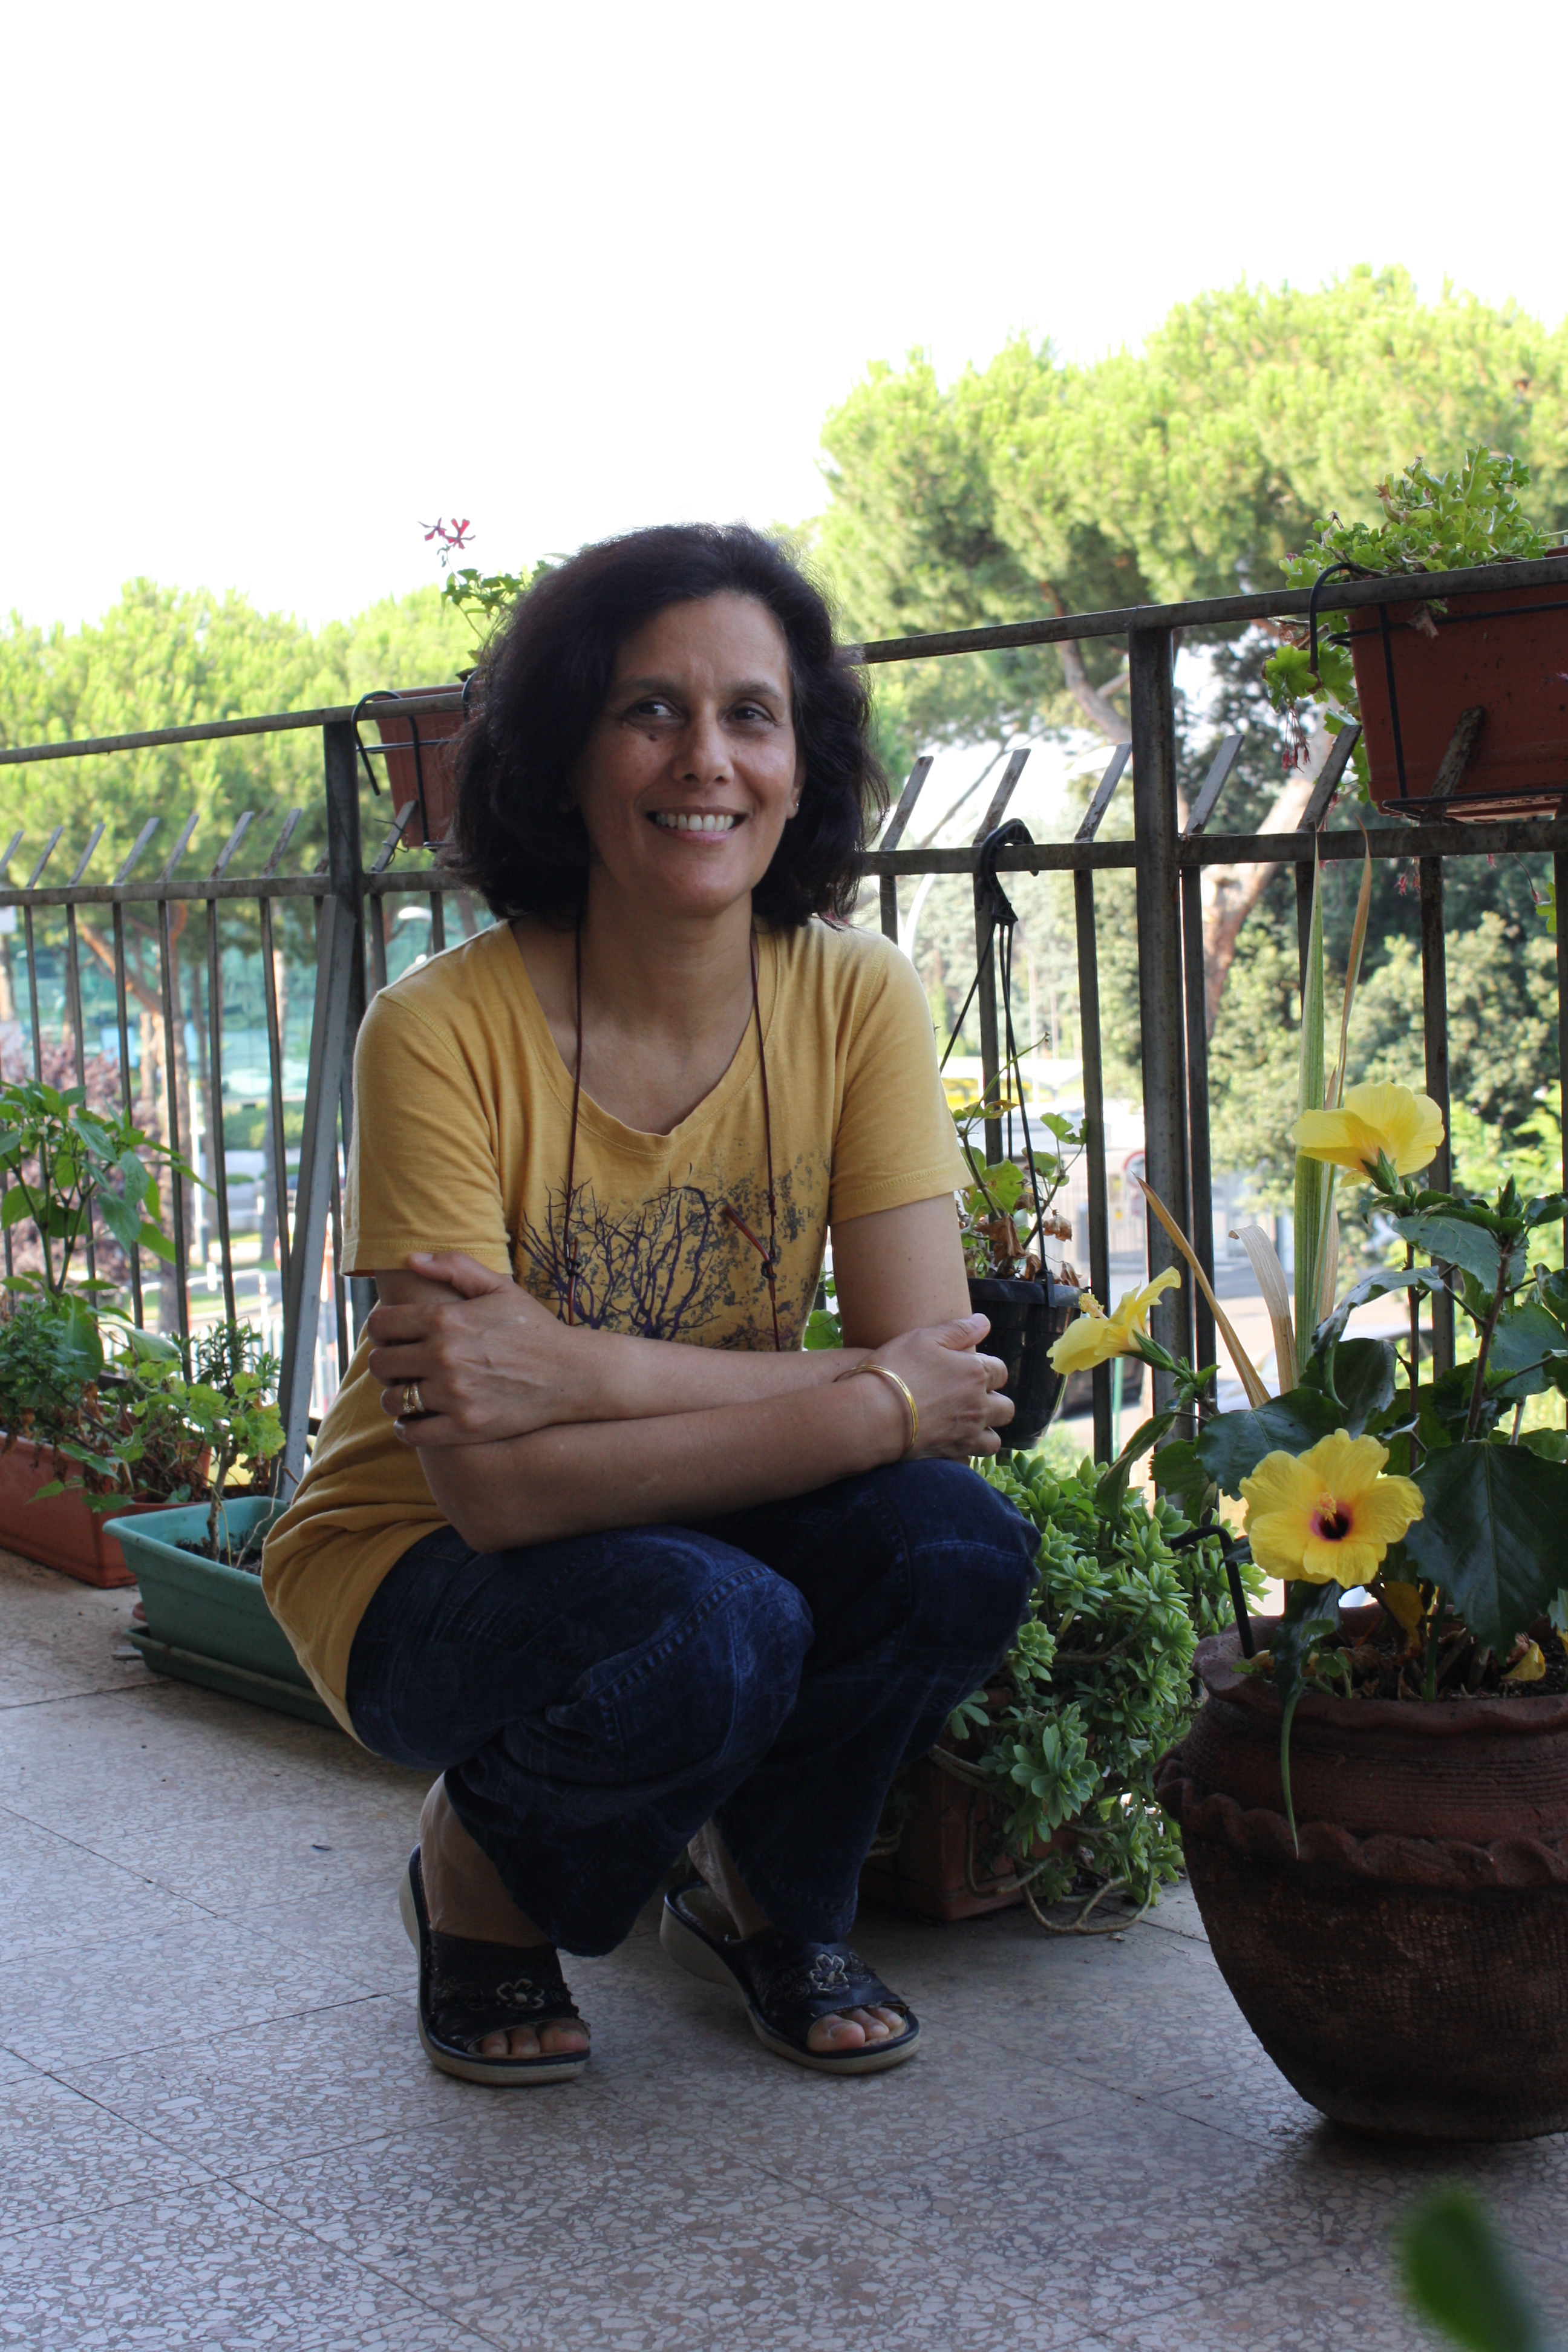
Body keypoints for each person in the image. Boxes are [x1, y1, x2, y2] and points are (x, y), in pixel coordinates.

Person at [262, 523, 1037, 2088]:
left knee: (955, 1546)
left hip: (690, 1509)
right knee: (712, 1622)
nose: (707, 759)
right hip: (417, 1563)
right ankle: (478, 1871)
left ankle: (769, 1891)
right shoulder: (439, 1032)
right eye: (650, 711)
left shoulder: (857, 997)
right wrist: (867, 1399)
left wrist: (572, 1367)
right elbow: (497, 1494)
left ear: (802, 766)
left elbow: (936, 1393)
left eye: (752, 714)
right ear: (566, 757)